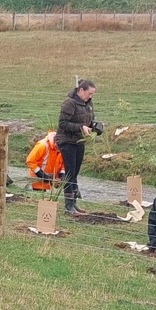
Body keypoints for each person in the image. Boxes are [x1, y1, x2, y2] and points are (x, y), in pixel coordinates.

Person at [56, 79, 101, 216]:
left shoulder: (88, 104)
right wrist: (80, 128)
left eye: (92, 94)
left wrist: (96, 127)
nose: (90, 96)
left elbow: (88, 121)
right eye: (89, 93)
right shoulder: (69, 103)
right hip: (67, 141)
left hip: (79, 141)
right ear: (81, 90)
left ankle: (73, 203)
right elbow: (63, 123)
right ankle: (68, 206)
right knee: (70, 173)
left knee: (75, 172)